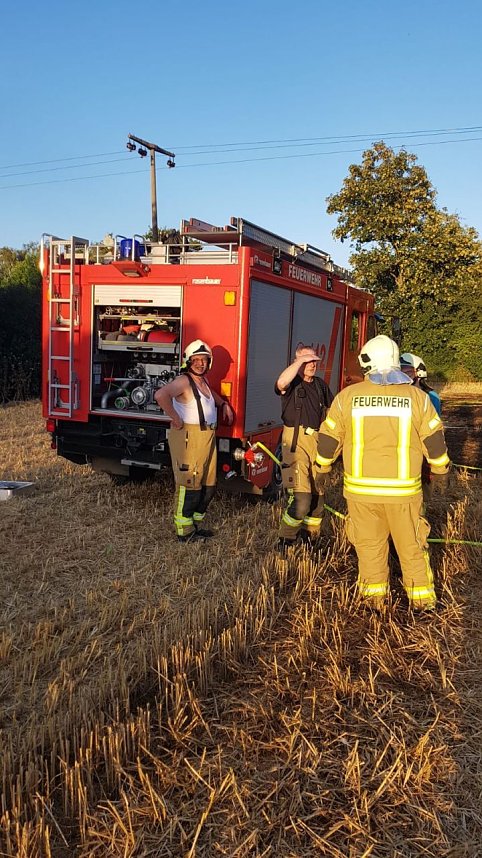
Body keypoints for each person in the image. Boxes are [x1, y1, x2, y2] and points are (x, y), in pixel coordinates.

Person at [315, 335, 450, 612]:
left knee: (369, 548)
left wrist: (322, 467)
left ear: (366, 362)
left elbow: (328, 439)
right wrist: (440, 470)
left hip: (361, 493)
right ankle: (422, 603)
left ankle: (374, 601)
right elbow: (434, 441)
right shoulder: (418, 397)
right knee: (412, 547)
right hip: (403, 494)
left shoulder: (347, 397)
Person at [154, 340, 234, 543]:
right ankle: (184, 531)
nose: (200, 363)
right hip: (190, 438)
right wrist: (175, 417)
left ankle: (194, 525)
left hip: (207, 437)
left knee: (208, 485)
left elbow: (210, 396)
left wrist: (223, 403)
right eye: (196, 360)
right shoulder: (184, 381)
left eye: (204, 360)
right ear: (188, 362)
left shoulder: (202, 382)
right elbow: (161, 394)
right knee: (189, 484)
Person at [275, 343, 334, 549]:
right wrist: (299, 361)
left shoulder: (320, 385)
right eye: (306, 361)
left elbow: (333, 412)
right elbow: (281, 382)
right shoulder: (292, 385)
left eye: (313, 361)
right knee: (301, 499)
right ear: (297, 363)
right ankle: (286, 539)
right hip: (296, 443)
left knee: (318, 497)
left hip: (316, 443)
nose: (311, 365)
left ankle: (310, 538)